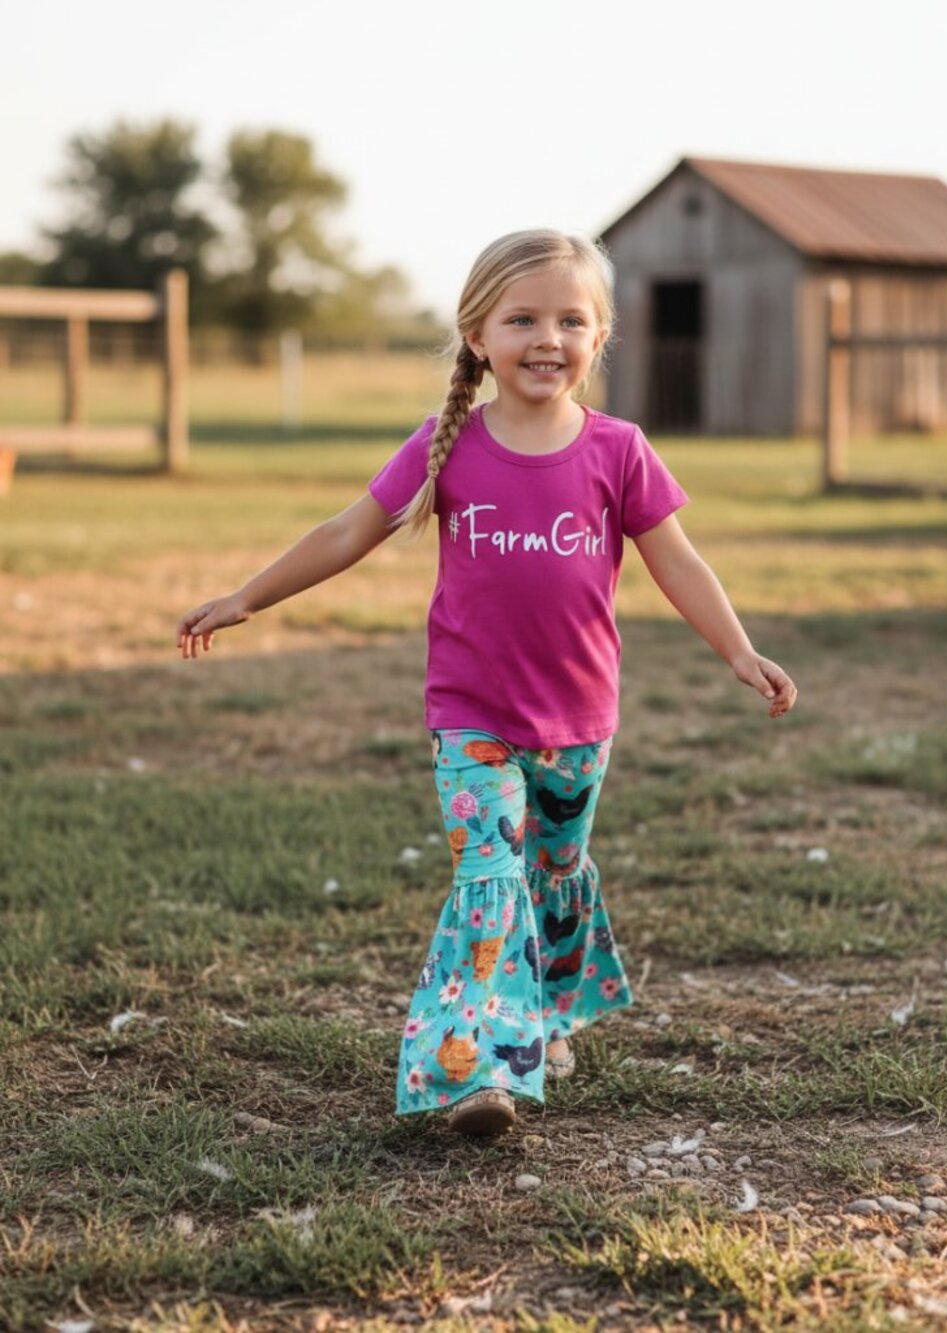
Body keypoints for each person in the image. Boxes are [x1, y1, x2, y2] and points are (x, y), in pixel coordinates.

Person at [175, 228, 797, 1139]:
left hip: (579, 718)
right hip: (470, 717)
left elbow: (681, 563)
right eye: (523, 318)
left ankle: (547, 1011)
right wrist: (246, 597)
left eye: (571, 320)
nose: (548, 337)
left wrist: (739, 649)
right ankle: (475, 1068)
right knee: (490, 875)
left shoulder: (620, 450)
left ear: (600, 337)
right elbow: (350, 530)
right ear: (479, 337)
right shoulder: (447, 444)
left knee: (555, 868)